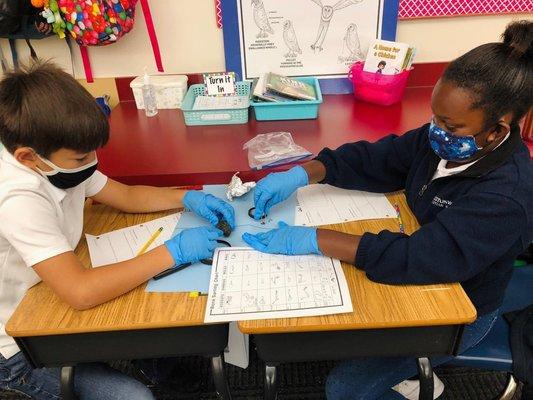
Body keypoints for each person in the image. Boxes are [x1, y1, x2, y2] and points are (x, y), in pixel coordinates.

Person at [243, 20, 533, 399]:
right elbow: (382, 157)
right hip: (422, 263)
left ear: (495, 132)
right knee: (344, 329)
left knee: (344, 387)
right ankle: (412, 374)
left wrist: (315, 238)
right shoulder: (445, 141)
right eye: (435, 117)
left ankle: (421, 377)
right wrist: (306, 172)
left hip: (461, 309)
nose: (436, 131)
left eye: (451, 124)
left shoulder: (506, 196)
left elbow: (423, 257)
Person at [0, 62, 235, 399]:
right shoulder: (17, 196)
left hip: (53, 285)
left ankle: (160, 367)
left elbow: (124, 195)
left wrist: (187, 198)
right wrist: (174, 251)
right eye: (82, 158)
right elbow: (80, 292)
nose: (91, 162)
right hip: (18, 342)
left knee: (147, 298)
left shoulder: (59, 161)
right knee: (133, 397)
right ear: (28, 157)